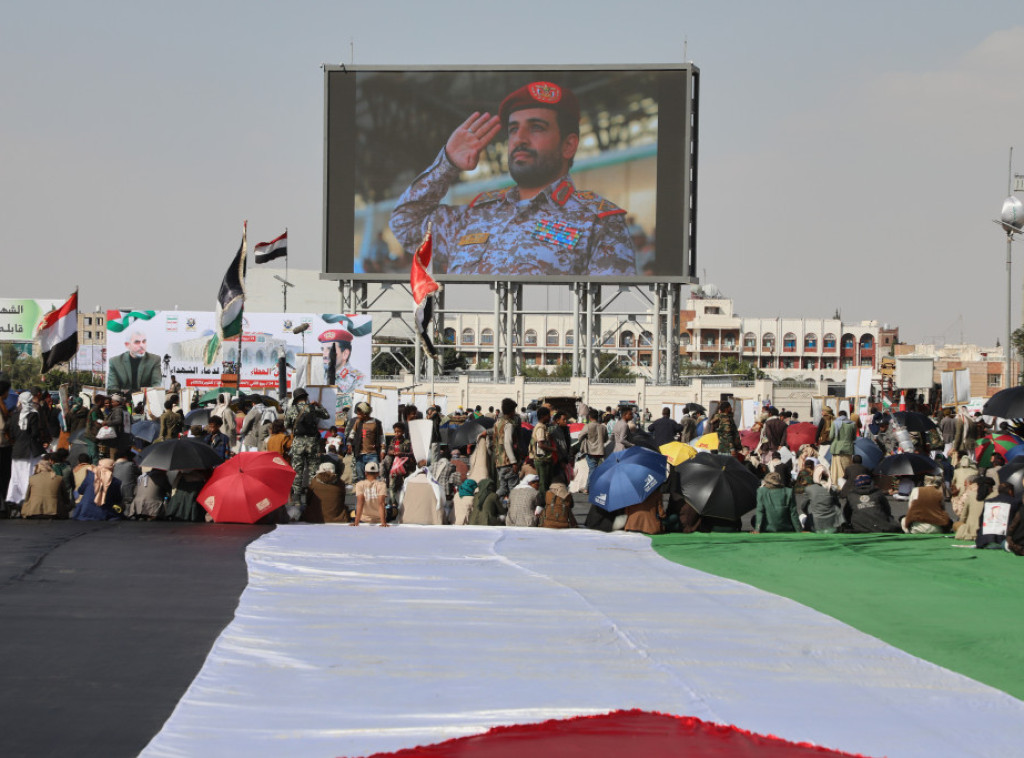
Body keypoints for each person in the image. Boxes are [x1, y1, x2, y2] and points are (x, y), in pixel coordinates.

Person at [389, 80, 636, 276]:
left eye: (536, 127)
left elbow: (612, 317)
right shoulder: (473, 216)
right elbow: (406, 224)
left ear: (569, 145)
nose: (520, 138)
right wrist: (447, 163)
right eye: (513, 129)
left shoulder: (597, 224)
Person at [284, 388, 329, 519]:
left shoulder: (291, 410)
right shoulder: (312, 408)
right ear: (305, 397)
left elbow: (287, 425)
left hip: (298, 443)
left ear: (295, 398)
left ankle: (297, 499)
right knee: (313, 471)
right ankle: (311, 498)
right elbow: (326, 415)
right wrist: (318, 405)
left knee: (297, 471)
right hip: (312, 443)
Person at [6, 391, 48, 514]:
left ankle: (14, 498)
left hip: (17, 450)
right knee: (29, 475)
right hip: (29, 450)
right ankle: (27, 498)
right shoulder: (33, 415)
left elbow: (12, 434)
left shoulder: (14, 415)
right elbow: (35, 433)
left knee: (16, 476)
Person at [316, 328, 366, 414]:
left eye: (329, 350)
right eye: (322, 350)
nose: (324, 355)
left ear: (345, 354)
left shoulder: (358, 379)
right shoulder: (319, 375)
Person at [347, 401, 384, 483]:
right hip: (360, 454)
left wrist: (383, 450)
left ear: (365, 414)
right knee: (360, 477)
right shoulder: (358, 422)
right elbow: (352, 434)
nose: (357, 416)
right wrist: (349, 443)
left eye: (359, 414)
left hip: (373, 454)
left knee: (373, 476)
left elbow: (381, 438)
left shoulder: (376, 423)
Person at [492, 398, 521, 499]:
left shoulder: (497, 423)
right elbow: (508, 443)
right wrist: (514, 462)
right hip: (508, 462)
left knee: (503, 488)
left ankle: (492, 502)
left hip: (499, 462)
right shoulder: (509, 425)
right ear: (511, 411)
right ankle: (513, 510)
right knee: (513, 488)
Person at [954, 475, 994, 541]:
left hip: (971, 532)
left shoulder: (971, 495)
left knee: (956, 524)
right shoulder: (994, 496)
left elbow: (963, 517)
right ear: (990, 487)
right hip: (988, 532)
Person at [529, 406, 557, 499]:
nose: (549, 417)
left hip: (544, 458)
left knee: (545, 482)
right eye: (548, 415)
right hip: (542, 459)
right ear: (543, 416)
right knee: (543, 484)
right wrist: (553, 449)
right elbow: (541, 444)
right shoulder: (540, 428)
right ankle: (542, 503)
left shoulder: (544, 426)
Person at [579, 408, 608, 492]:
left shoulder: (588, 426)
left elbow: (580, 437)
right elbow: (605, 439)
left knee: (592, 469)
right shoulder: (603, 427)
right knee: (594, 468)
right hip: (600, 451)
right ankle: (590, 487)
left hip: (590, 450)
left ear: (589, 417)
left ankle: (588, 488)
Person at [352, 460, 387, 527]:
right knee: (393, 509)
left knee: (352, 512)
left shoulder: (359, 484)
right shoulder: (382, 485)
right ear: (377, 473)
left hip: (364, 518)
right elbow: (381, 503)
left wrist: (356, 523)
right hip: (379, 518)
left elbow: (360, 502)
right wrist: (383, 523)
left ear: (365, 473)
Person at [828, 411, 857, 487]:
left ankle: (837, 485)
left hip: (837, 449)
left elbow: (831, 436)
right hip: (848, 449)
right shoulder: (853, 424)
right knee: (847, 467)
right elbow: (854, 437)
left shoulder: (835, 423)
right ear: (846, 415)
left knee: (837, 469)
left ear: (838, 415)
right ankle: (846, 484)